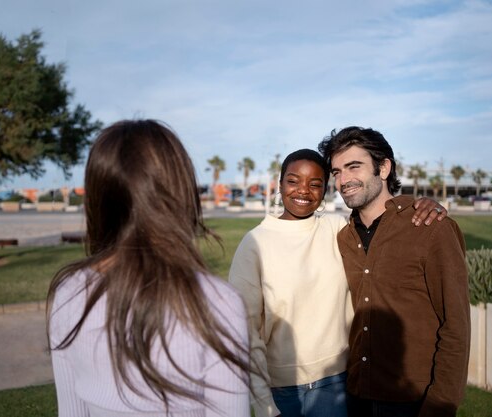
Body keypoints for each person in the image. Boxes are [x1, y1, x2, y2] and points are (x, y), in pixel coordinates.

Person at [46, 120, 251, 417]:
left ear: (98, 197)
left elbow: (71, 411)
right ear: (180, 192)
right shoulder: (217, 301)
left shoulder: (70, 291)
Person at [228, 149, 447, 417]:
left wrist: (420, 204)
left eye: (315, 184)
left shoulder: (338, 229)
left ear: (325, 190)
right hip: (280, 391)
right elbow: (244, 331)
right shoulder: (254, 244)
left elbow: (381, 218)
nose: (303, 191)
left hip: (337, 386)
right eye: (293, 180)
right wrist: (263, 404)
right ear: (280, 183)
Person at [318, 126, 470, 417]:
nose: (343, 180)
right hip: (356, 395)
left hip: (412, 401)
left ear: (384, 167)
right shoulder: (343, 236)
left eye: (353, 167)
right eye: (336, 172)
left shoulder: (430, 228)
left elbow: (456, 327)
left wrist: (440, 405)